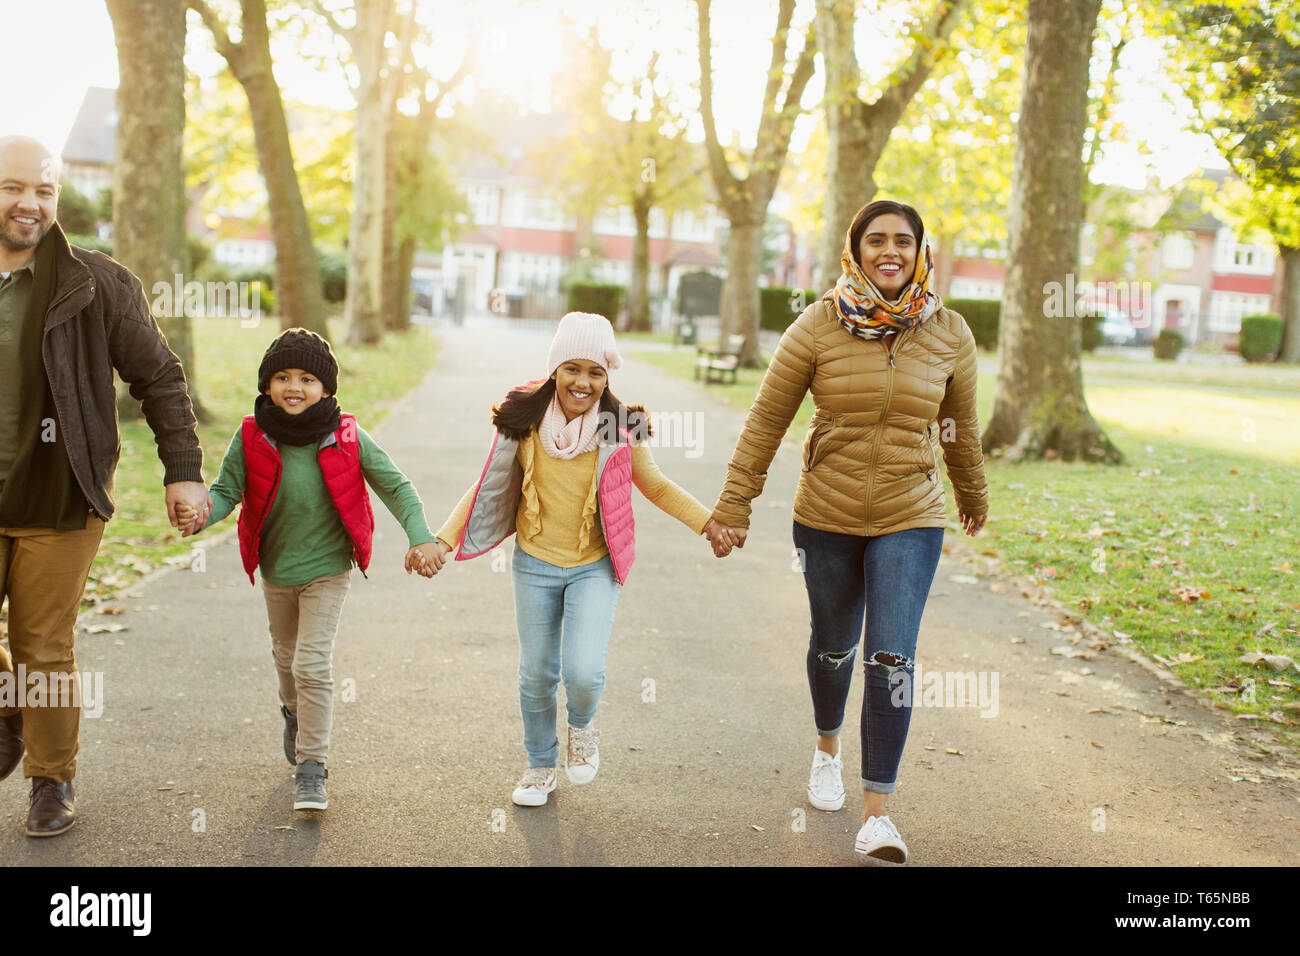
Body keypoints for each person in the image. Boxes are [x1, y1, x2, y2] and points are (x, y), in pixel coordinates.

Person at [709, 200, 989, 863]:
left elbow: (960, 427)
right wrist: (734, 503)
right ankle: (827, 748)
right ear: (855, 249)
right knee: (835, 647)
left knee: (891, 656)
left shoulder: (951, 333)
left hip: (911, 514)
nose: (888, 250)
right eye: (875, 240)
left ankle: (878, 814)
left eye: (902, 241)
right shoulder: (817, 325)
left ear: (921, 251)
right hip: (827, 516)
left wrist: (972, 491)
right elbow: (766, 421)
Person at [427, 311, 739, 806]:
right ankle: (539, 765)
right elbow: (485, 484)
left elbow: (654, 485)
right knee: (536, 674)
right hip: (534, 562)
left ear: (608, 376)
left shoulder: (619, 425)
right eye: (573, 368)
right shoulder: (523, 419)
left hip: (595, 563)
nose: (583, 382)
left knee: (583, 672)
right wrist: (442, 540)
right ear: (555, 369)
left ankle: (583, 726)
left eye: (596, 372)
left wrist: (709, 522)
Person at [0, 135, 209, 838]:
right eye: (12, 188)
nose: (29, 203)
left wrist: (181, 471)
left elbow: (159, 376)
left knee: (44, 647)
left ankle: (50, 781)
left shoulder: (96, 284)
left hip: (60, 496)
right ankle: (11, 706)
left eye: (43, 190)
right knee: (23, 664)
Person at [177, 328, 441, 812]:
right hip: (277, 567)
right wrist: (200, 515)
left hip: (327, 568)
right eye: (281, 376)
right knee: (285, 656)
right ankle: (294, 713)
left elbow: (397, 487)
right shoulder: (251, 434)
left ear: (325, 388)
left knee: (310, 663)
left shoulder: (347, 435)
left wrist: (420, 535)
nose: (293, 387)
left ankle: (312, 768)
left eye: (306, 378)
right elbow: (226, 492)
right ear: (267, 384)